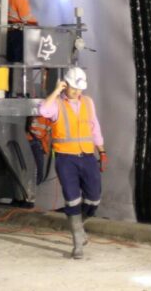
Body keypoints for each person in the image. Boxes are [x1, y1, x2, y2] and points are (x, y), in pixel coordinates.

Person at [37, 66, 107, 259]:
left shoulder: (88, 102)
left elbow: (95, 127)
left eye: (80, 88)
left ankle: (79, 228)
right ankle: (77, 242)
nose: (77, 92)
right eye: (73, 88)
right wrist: (56, 91)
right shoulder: (57, 104)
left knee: (94, 198)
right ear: (66, 85)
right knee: (72, 199)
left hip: (86, 156)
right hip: (65, 158)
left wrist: (102, 151)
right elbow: (43, 109)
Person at [6, 0, 38, 96]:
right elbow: (27, 18)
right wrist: (38, 27)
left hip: (7, 34)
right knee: (23, 63)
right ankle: (24, 93)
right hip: (19, 35)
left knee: (9, 64)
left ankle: (9, 92)